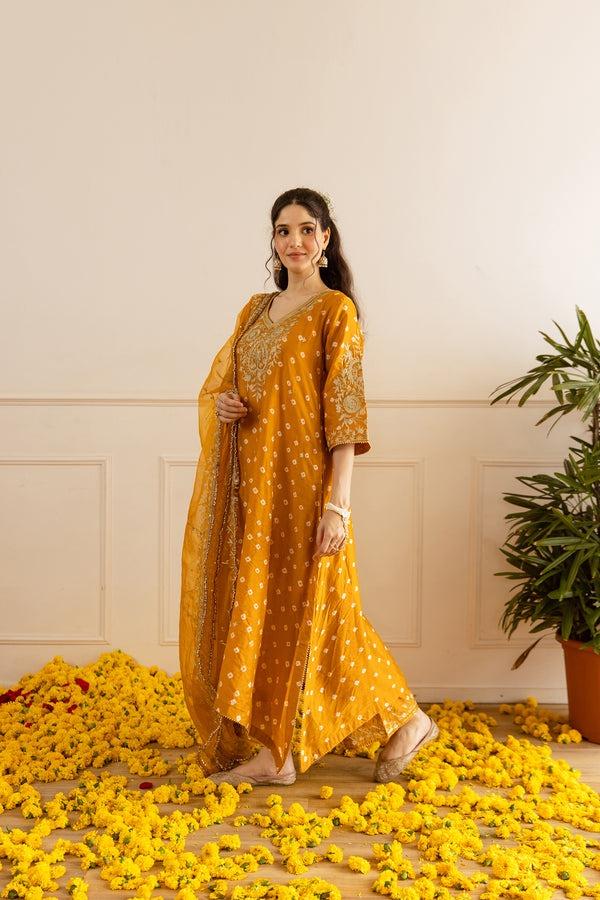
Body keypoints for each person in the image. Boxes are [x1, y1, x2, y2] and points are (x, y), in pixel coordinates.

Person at [179, 187, 438, 786]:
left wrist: (337, 507)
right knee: (267, 611)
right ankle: (277, 753)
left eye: (304, 229)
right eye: (282, 230)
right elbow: (233, 386)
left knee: (325, 611)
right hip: (254, 487)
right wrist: (227, 404)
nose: (293, 241)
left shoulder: (334, 311)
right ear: (273, 241)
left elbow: (344, 414)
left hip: (306, 489)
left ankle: (407, 720)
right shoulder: (253, 311)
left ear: (324, 239)